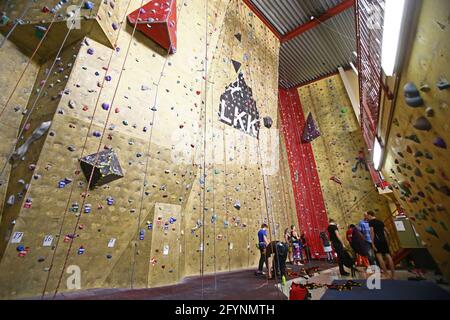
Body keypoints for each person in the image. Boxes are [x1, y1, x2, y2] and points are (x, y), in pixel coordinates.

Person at [367, 211, 395, 279]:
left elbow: (372, 232)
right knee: (388, 256)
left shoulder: (371, 222)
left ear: (370, 215)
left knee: (379, 257)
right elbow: (387, 232)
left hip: (377, 240)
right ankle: (393, 275)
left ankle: (386, 274)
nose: (367, 217)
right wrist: (388, 240)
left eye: (367, 216)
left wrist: (372, 243)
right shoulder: (380, 221)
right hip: (384, 240)